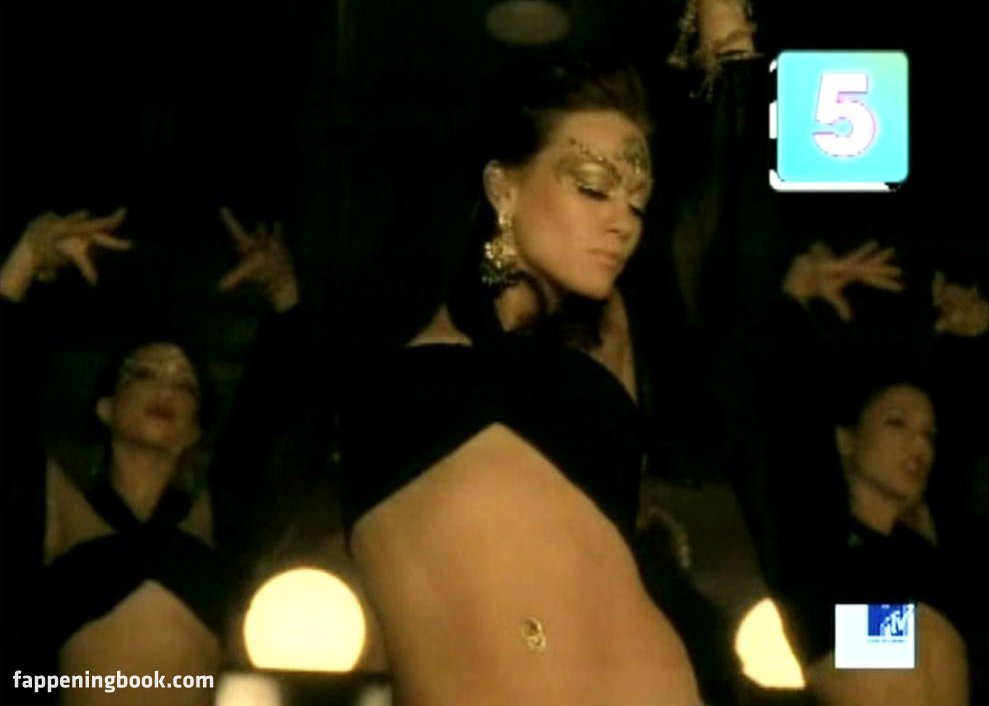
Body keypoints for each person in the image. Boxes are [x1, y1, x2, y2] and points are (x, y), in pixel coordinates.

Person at [339, 46, 737, 703]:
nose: (623, 221)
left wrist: (728, 45)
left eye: (637, 203)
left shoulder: (609, 333)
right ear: (503, 186)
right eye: (593, 187)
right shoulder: (393, 323)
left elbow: (718, 224)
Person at [0, 205, 300, 705]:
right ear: (106, 408)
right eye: (143, 373)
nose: (166, 388)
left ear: (195, 428)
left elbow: (271, 423)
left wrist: (285, 294)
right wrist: (22, 263)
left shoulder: (213, 520)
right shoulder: (56, 512)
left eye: (185, 384)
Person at [762, 240, 977, 706]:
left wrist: (969, 336)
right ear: (847, 439)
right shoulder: (820, 536)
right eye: (896, 423)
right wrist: (793, 303)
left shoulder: (926, 554)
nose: (919, 445)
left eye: (929, 435)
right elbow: (788, 432)